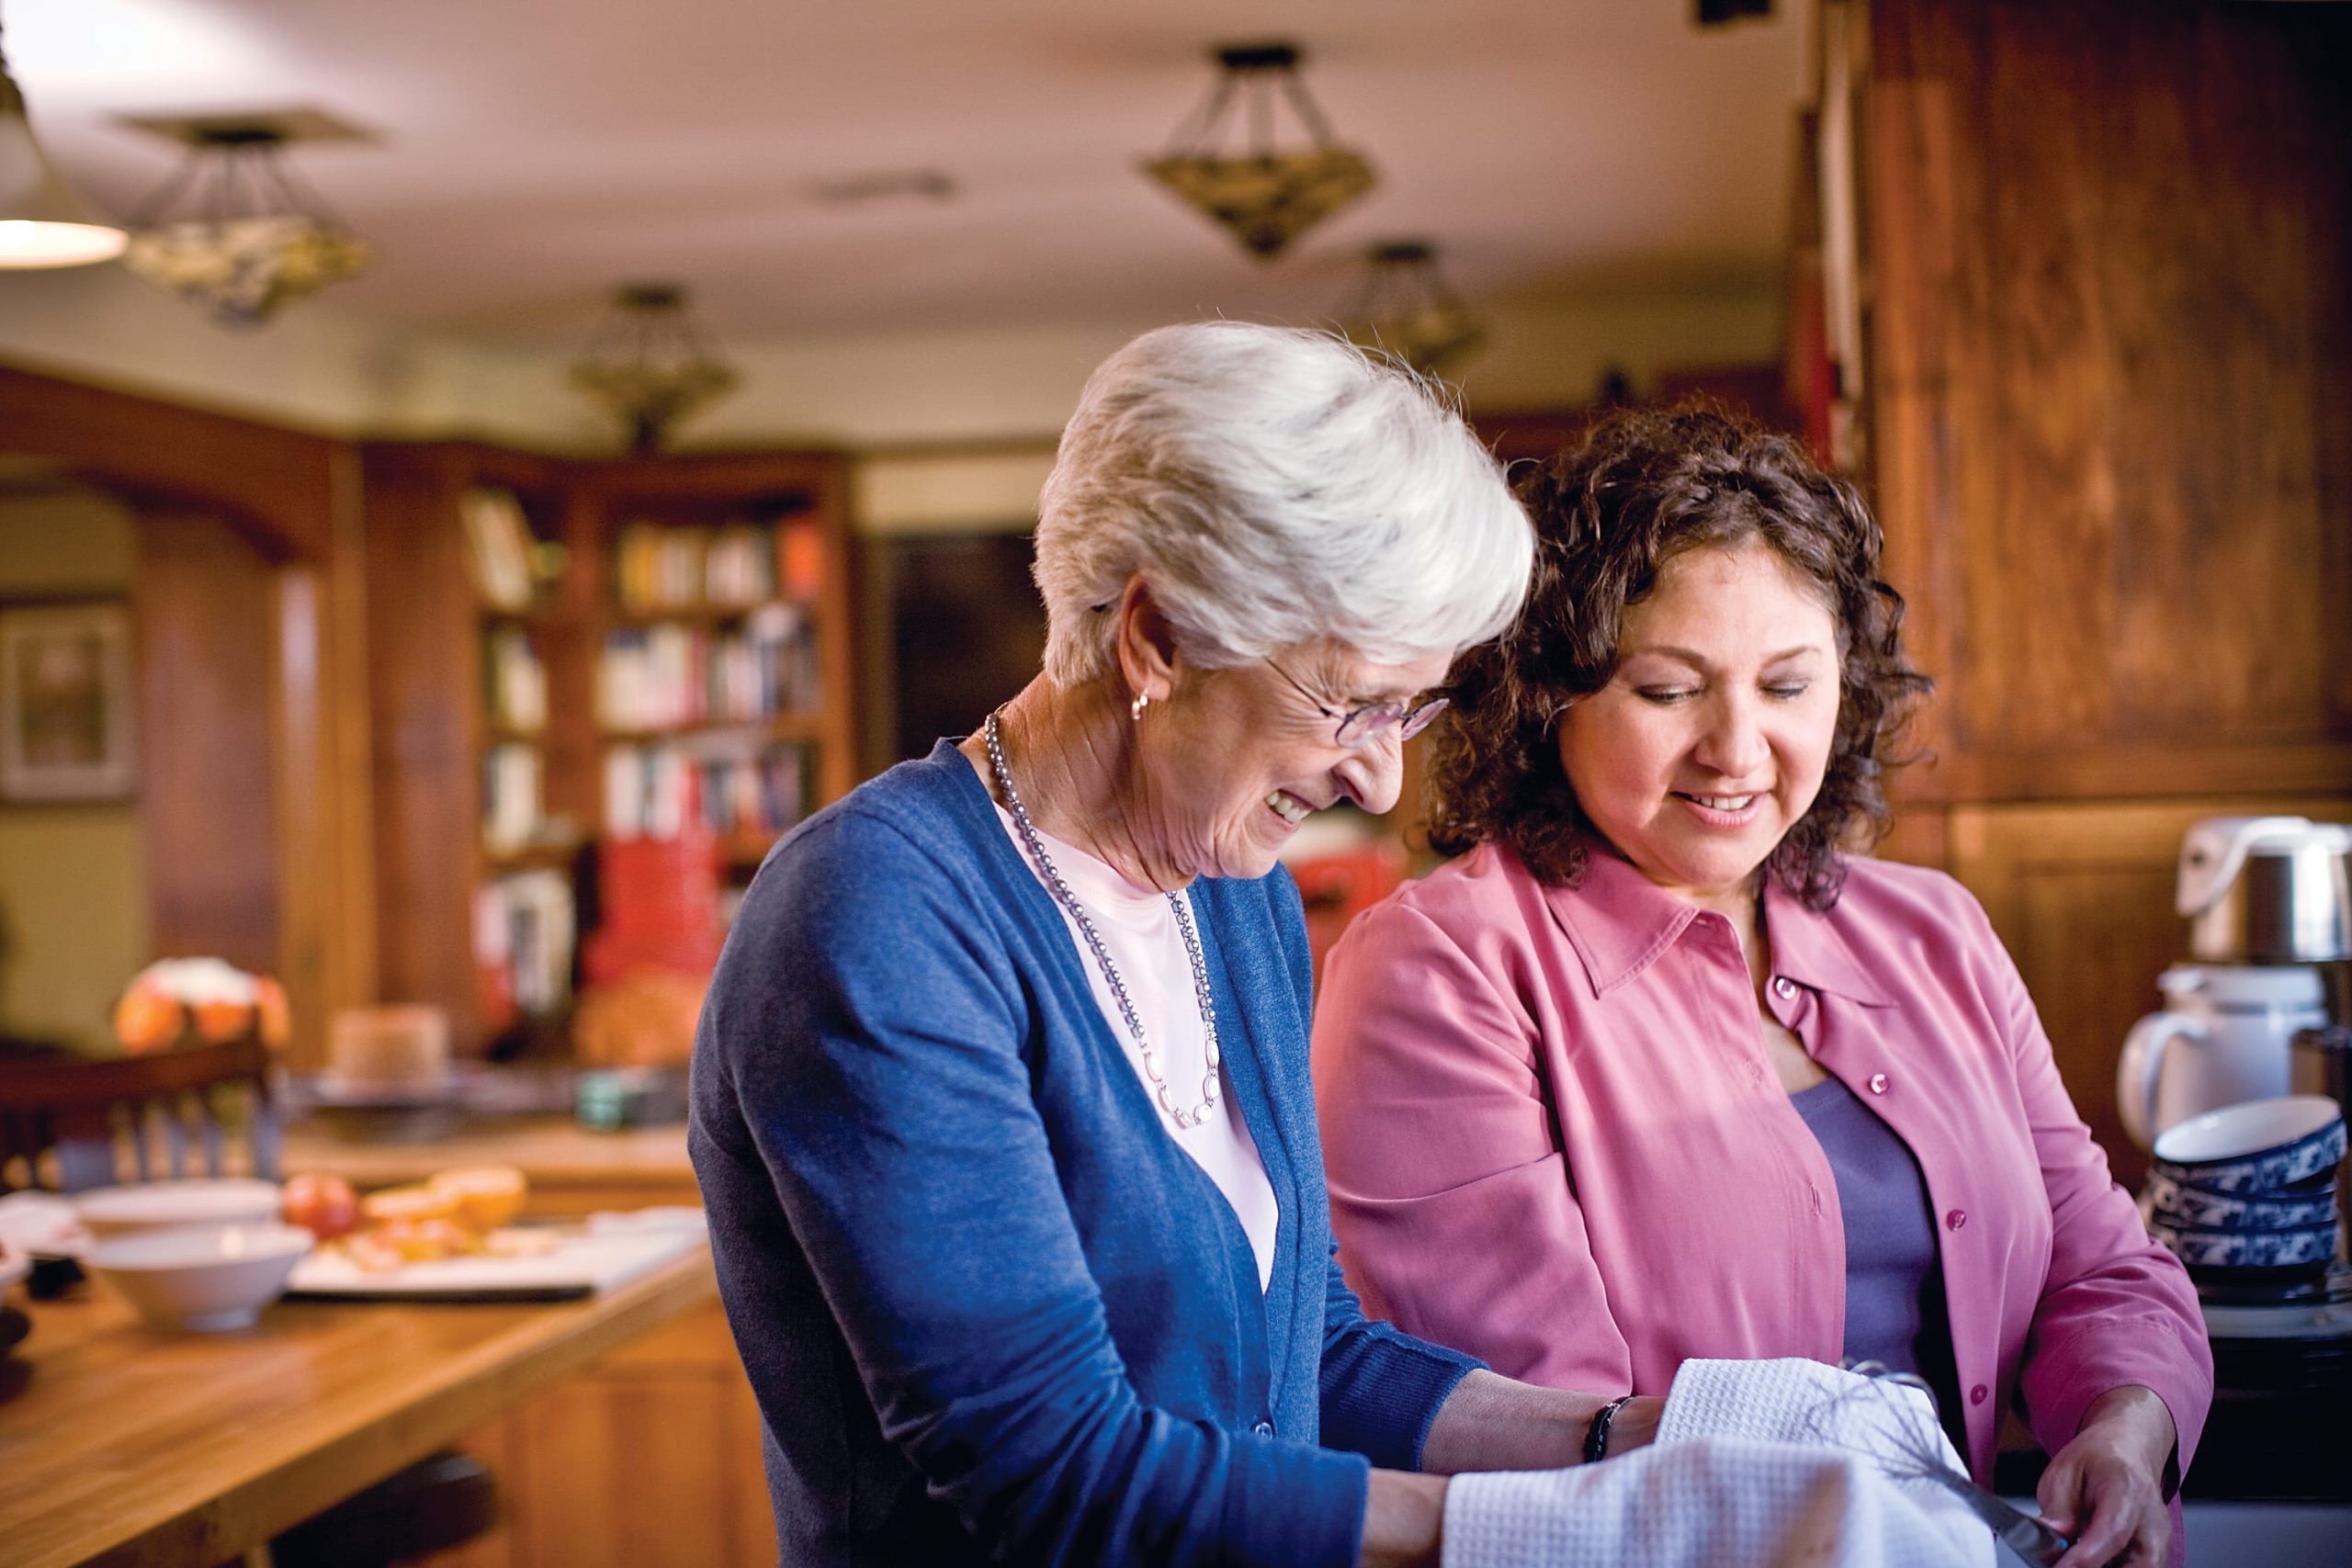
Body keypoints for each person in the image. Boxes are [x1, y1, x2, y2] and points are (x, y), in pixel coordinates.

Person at [689, 322, 1669, 1568]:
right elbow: (1050, 1467)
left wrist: (1647, 1442)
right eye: (1350, 700)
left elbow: (1308, 1352)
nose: (1381, 771)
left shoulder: (1232, 889)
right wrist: (1560, 1529)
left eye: (1411, 706)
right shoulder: (878, 913)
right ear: (1156, 636)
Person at [1311, 404, 2213, 1568]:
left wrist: (2126, 1429)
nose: (1737, 750)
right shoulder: (1440, 966)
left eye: (1787, 686)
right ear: (1550, 694)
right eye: (1667, 689)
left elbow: (2097, 1265)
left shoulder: (1933, 931)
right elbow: (1542, 1434)